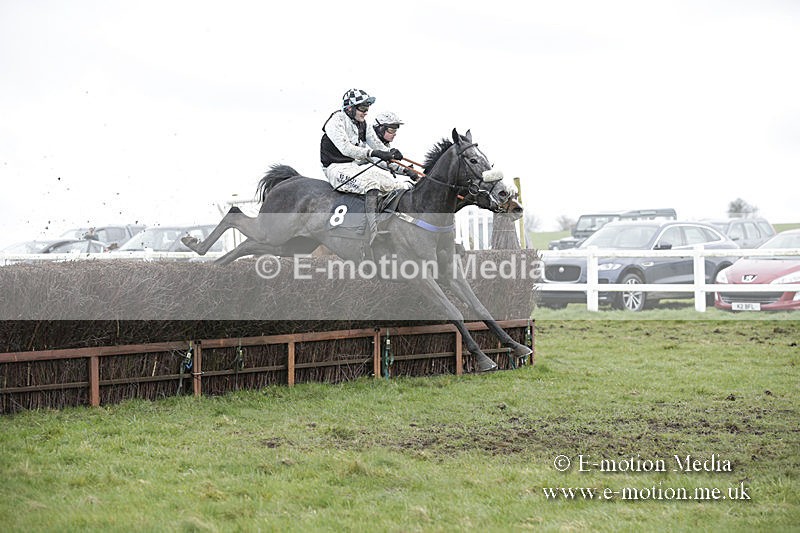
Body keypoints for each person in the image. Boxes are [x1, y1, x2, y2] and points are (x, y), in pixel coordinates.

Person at [320, 89, 410, 249]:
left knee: (394, 185)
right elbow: (346, 149)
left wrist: (406, 169)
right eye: (362, 108)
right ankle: (373, 231)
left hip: (352, 167)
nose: (366, 112)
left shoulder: (363, 124)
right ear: (349, 108)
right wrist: (374, 153)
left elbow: (380, 149)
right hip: (335, 168)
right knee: (371, 184)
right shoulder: (336, 121)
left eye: (367, 108)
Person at [371, 111, 418, 184]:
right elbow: (380, 161)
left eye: (395, 131)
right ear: (380, 129)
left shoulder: (385, 146)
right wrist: (405, 169)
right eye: (392, 130)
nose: (395, 134)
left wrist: (408, 169)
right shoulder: (368, 142)